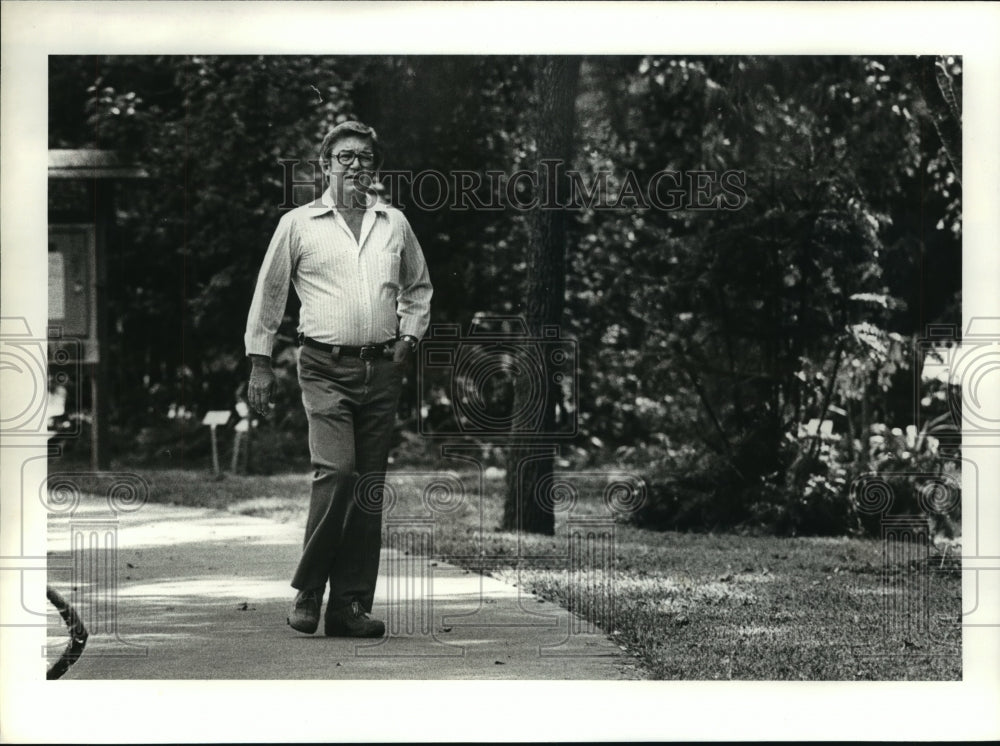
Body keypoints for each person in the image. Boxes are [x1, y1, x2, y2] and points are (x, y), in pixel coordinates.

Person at [244, 121, 432, 637]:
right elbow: (270, 294)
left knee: (368, 487)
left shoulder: (393, 222)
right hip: (323, 366)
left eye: (365, 157)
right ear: (324, 165)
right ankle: (309, 589)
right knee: (339, 472)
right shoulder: (299, 224)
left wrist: (409, 339)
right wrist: (260, 362)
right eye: (345, 156)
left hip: (381, 368)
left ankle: (349, 606)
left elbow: (418, 288)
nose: (356, 165)